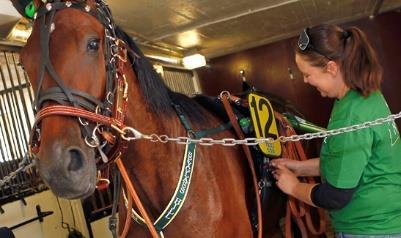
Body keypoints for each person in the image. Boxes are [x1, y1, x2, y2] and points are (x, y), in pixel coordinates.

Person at [270, 24, 401, 237]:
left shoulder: (350, 114)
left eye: (307, 74)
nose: (305, 80)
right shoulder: (364, 95)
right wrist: (299, 168)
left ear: (331, 68)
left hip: (370, 229)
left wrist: (293, 187)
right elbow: (348, 164)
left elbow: (334, 196)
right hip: (387, 221)